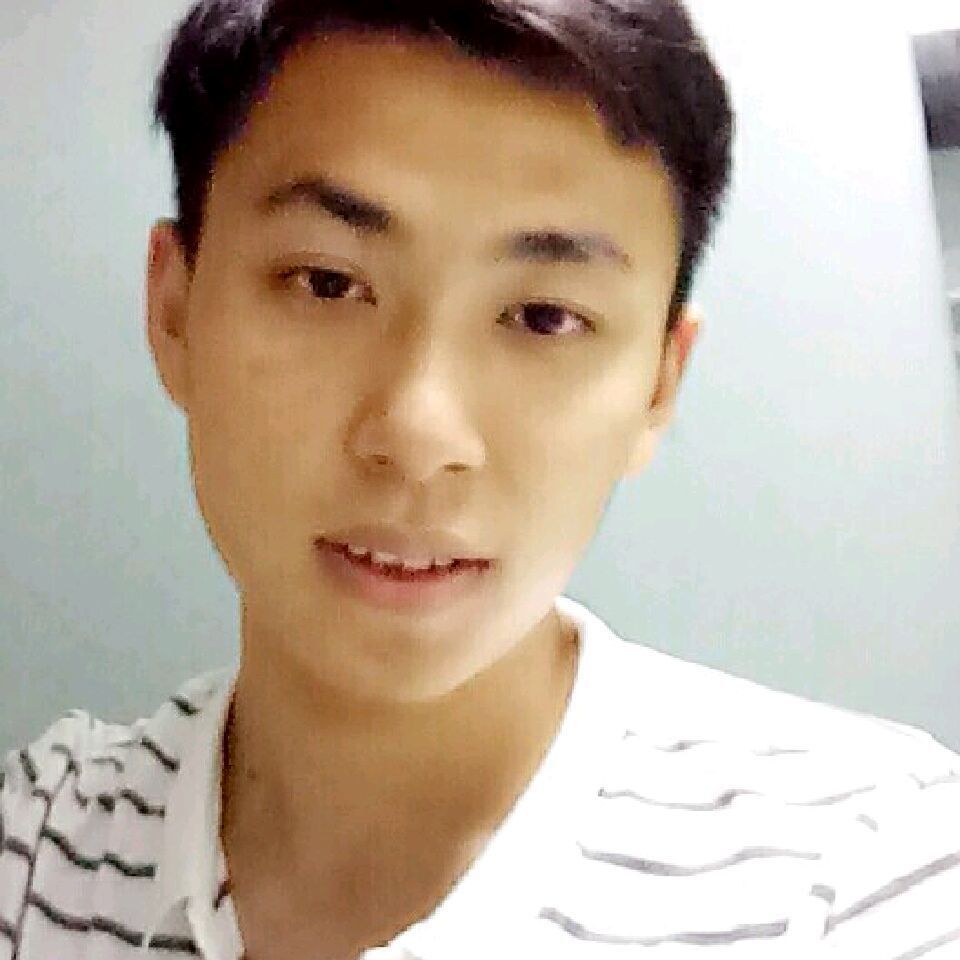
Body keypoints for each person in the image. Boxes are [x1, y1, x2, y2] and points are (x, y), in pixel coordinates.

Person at [2, 1, 959, 958]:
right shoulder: (39, 841)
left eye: (544, 317)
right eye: (327, 282)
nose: (419, 436)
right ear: (174, 312)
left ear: (659, 385)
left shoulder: (866, 875)